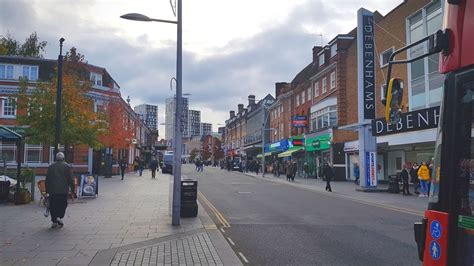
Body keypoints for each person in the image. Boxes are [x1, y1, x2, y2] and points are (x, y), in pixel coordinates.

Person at [45, 152, 74, 229]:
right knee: (63, 204)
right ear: (63, 158)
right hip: (63, 190)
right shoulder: (67, 166)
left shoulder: (51, 167)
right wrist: (73, 189)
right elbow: (70, 179)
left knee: (53, 205)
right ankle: (59, 217)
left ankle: (54, 221)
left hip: (52, 190)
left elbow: (47, 179)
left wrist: (47, 190)